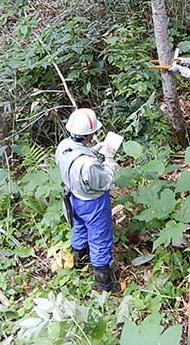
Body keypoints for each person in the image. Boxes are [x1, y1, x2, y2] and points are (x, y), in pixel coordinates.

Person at [55, 108, 126, 295]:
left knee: (79, 227)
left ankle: (79, 259)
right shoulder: (89, 164)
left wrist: (94, 150)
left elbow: (75, 157)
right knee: (100, 238)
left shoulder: (63, 146)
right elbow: (105, 181)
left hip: (72, 197)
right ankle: (105, 284)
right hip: (93, 203)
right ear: (89, 134)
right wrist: (109, 158)